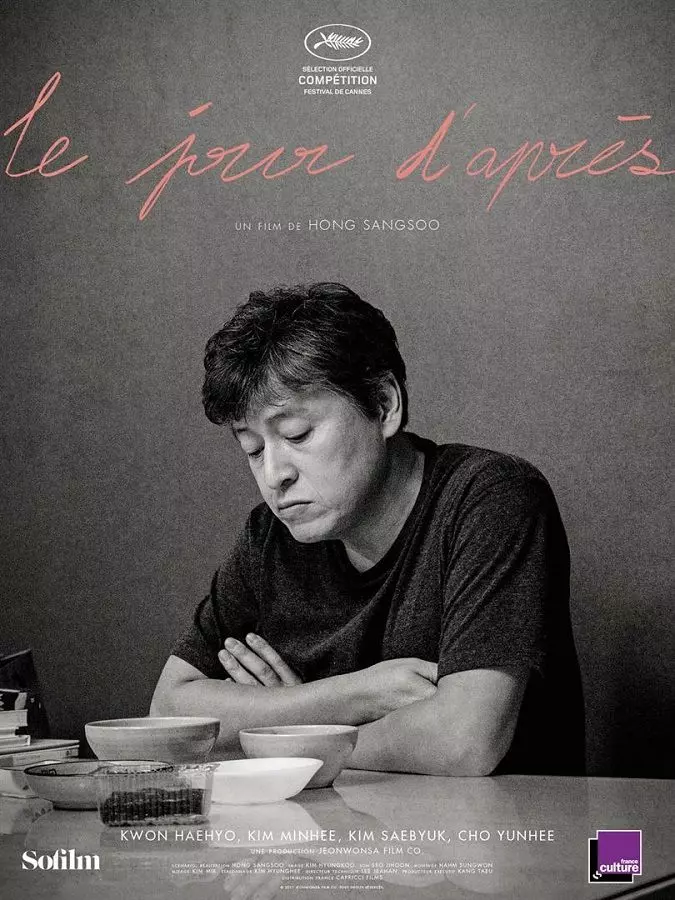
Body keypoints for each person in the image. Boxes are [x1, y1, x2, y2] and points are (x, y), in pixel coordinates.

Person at [151, 282, 585, 776]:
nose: (274, 475)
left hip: (502, 823)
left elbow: (463, 741)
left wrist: (280, 735)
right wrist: (354, 695)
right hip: (333, 823)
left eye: (297, 434)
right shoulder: (269, 537)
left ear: (383, 404)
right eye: (253, 448)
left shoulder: (491, 498)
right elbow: (168, 715)